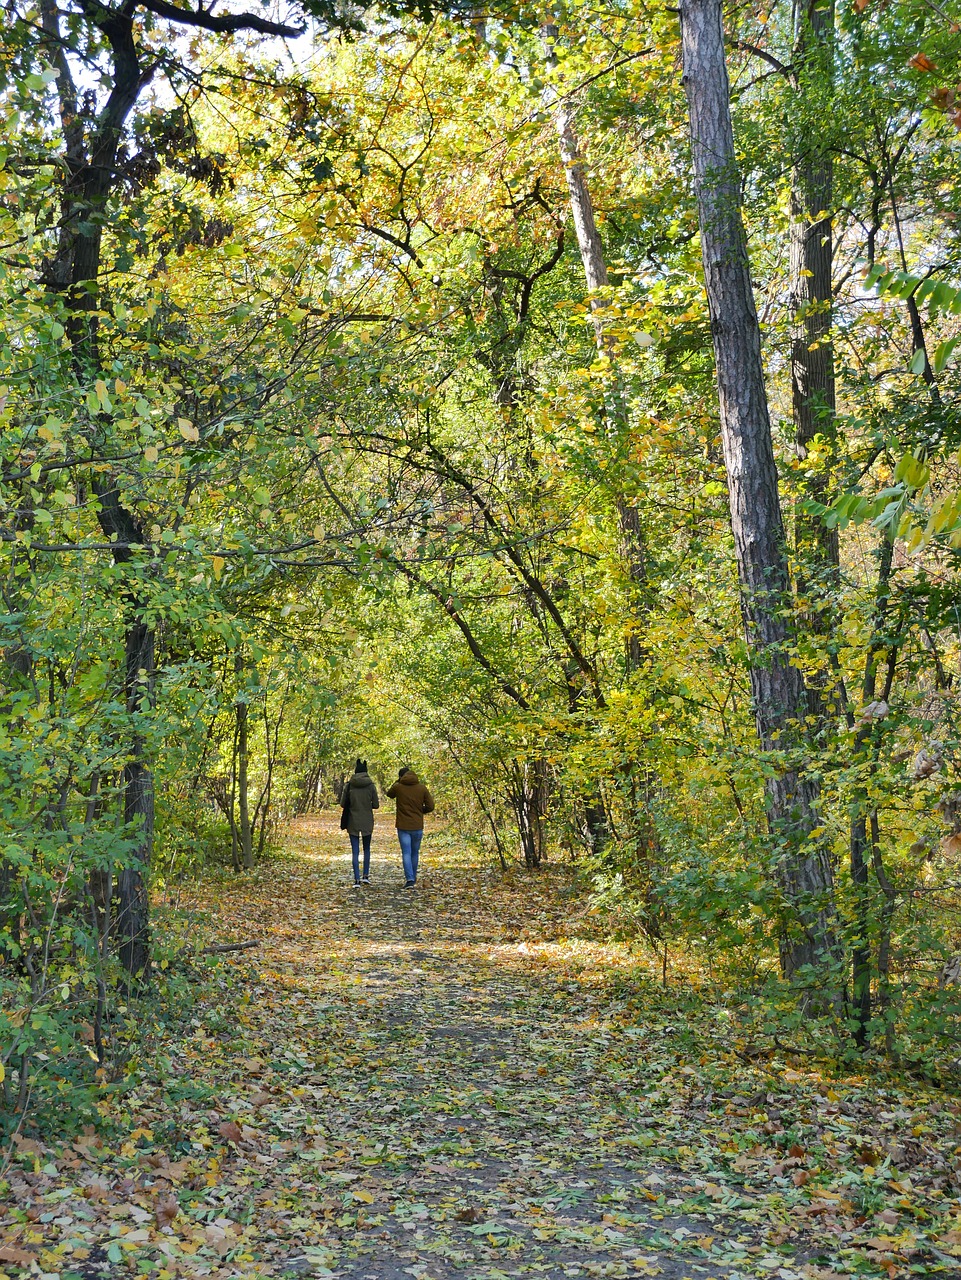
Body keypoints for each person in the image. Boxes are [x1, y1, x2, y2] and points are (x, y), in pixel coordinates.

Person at [386, 766, 435, 888]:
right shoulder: (422, 788)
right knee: (415, 853)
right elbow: (431, 806)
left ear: (401, 776)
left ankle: (410, 879)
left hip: (403, 826)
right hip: (417, 825)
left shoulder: (398, 787)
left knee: (406, 852)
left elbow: (389, 794)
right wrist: (421, 811)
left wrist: (397, 781)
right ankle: (413, 877)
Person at [343, 758, 379, 887]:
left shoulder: (349, 785)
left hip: (352, 820)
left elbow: (343, 804)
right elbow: (376, 805)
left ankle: (356, 879)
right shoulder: (371, 786)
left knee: (355, 851)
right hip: (367, 821)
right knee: (367, 849)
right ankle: (366, 876)